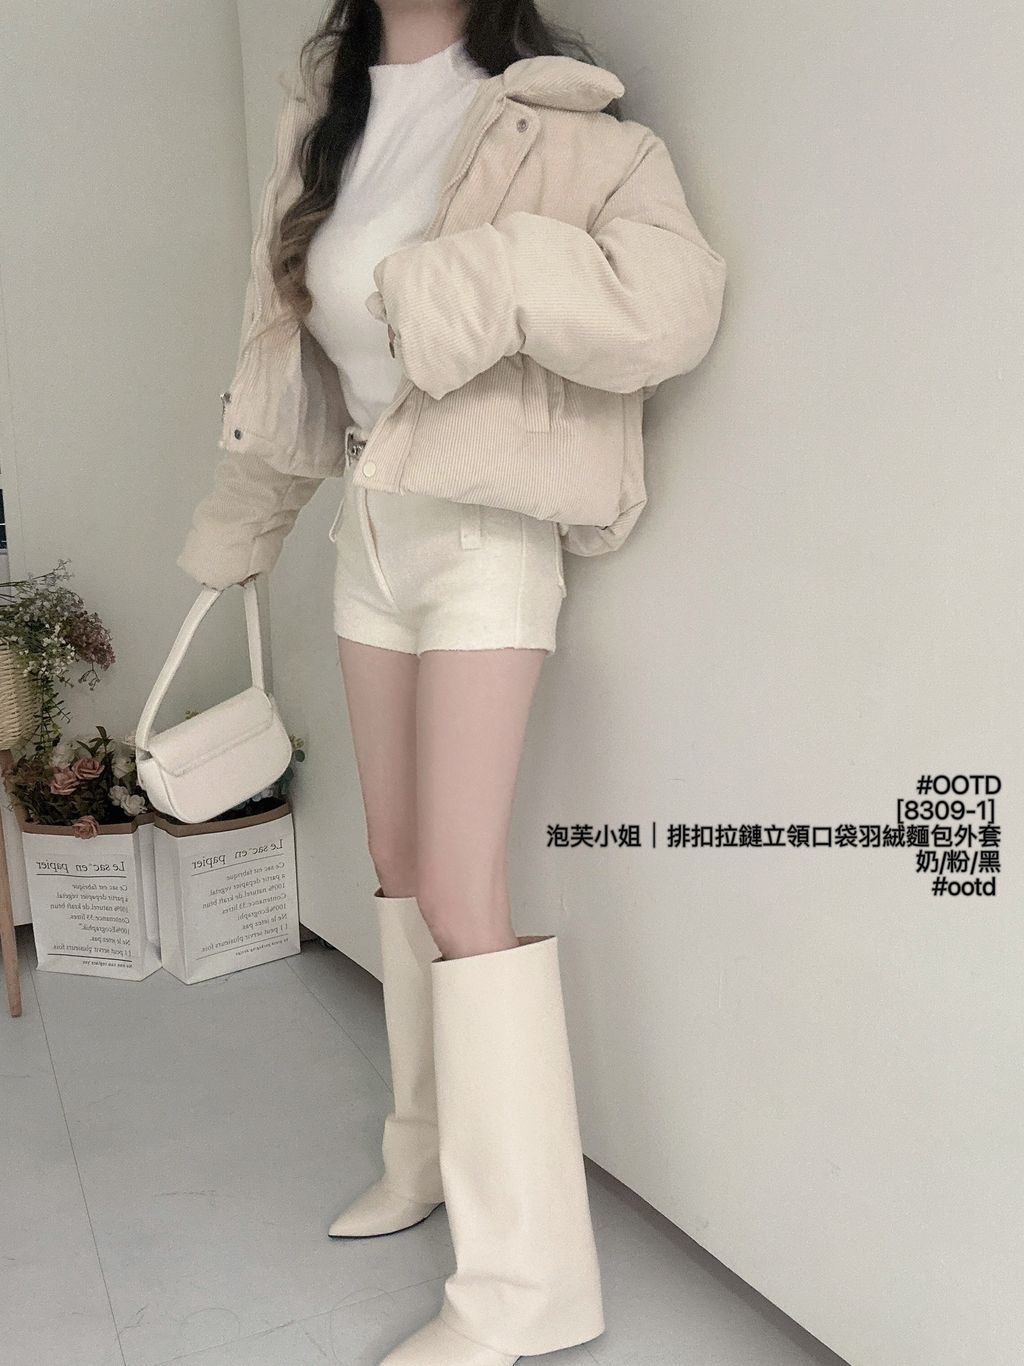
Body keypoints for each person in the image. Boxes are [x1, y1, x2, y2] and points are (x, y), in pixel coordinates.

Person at [176, 1, 726, 1361]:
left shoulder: (570, 124)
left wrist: (477, 277)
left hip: (484, 528)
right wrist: (242, 531)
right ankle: (421, 1151)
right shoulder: (324, 120)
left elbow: (673, 306)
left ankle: (526, 1288)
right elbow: (278, 359)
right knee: (397, 861)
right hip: (370, 525)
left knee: (465, 892)